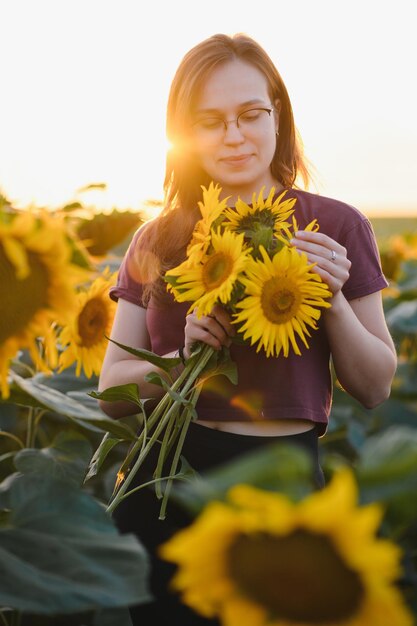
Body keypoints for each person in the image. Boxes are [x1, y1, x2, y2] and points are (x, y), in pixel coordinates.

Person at [98, 33, 397, 626]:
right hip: (170, 481)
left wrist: (330, 299)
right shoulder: (156, 240)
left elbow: (376, 385)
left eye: (250, 114)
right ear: (184, 132)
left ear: (277, 114)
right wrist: (182, 361)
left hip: (282, 477)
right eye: (209, 121)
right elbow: (111, 393)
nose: (233, 136)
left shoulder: (336, 225)